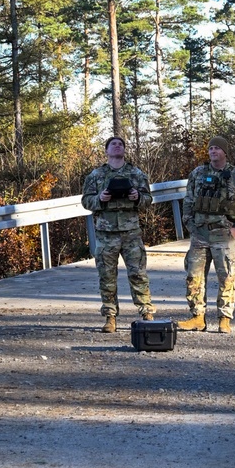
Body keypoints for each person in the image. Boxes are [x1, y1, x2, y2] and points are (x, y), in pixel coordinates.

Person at [178, 135, 235, 334]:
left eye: (217, 148)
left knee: (227, 277)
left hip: (223, 234)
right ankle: (197, 317)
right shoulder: (197, 174)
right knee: (194, 276)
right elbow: (188, 200)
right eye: (211, 148)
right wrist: (190, 224)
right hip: (200, 234)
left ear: (225, 152)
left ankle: (224, 319)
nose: (213, 151)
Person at [81, 135, 155, 333]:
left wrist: (138, 197)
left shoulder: (135, 173)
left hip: (131, 232)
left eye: (120, 144)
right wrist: (100, 198)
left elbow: (149, 198)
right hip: (106, 234)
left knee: (138, 274)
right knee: (107, 276)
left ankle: (146, 312)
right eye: (113, 144)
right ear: (106, 150)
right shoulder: (96, 175)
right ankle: (110, 316)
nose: (117, 146)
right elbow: (86, 201)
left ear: (124, 150)